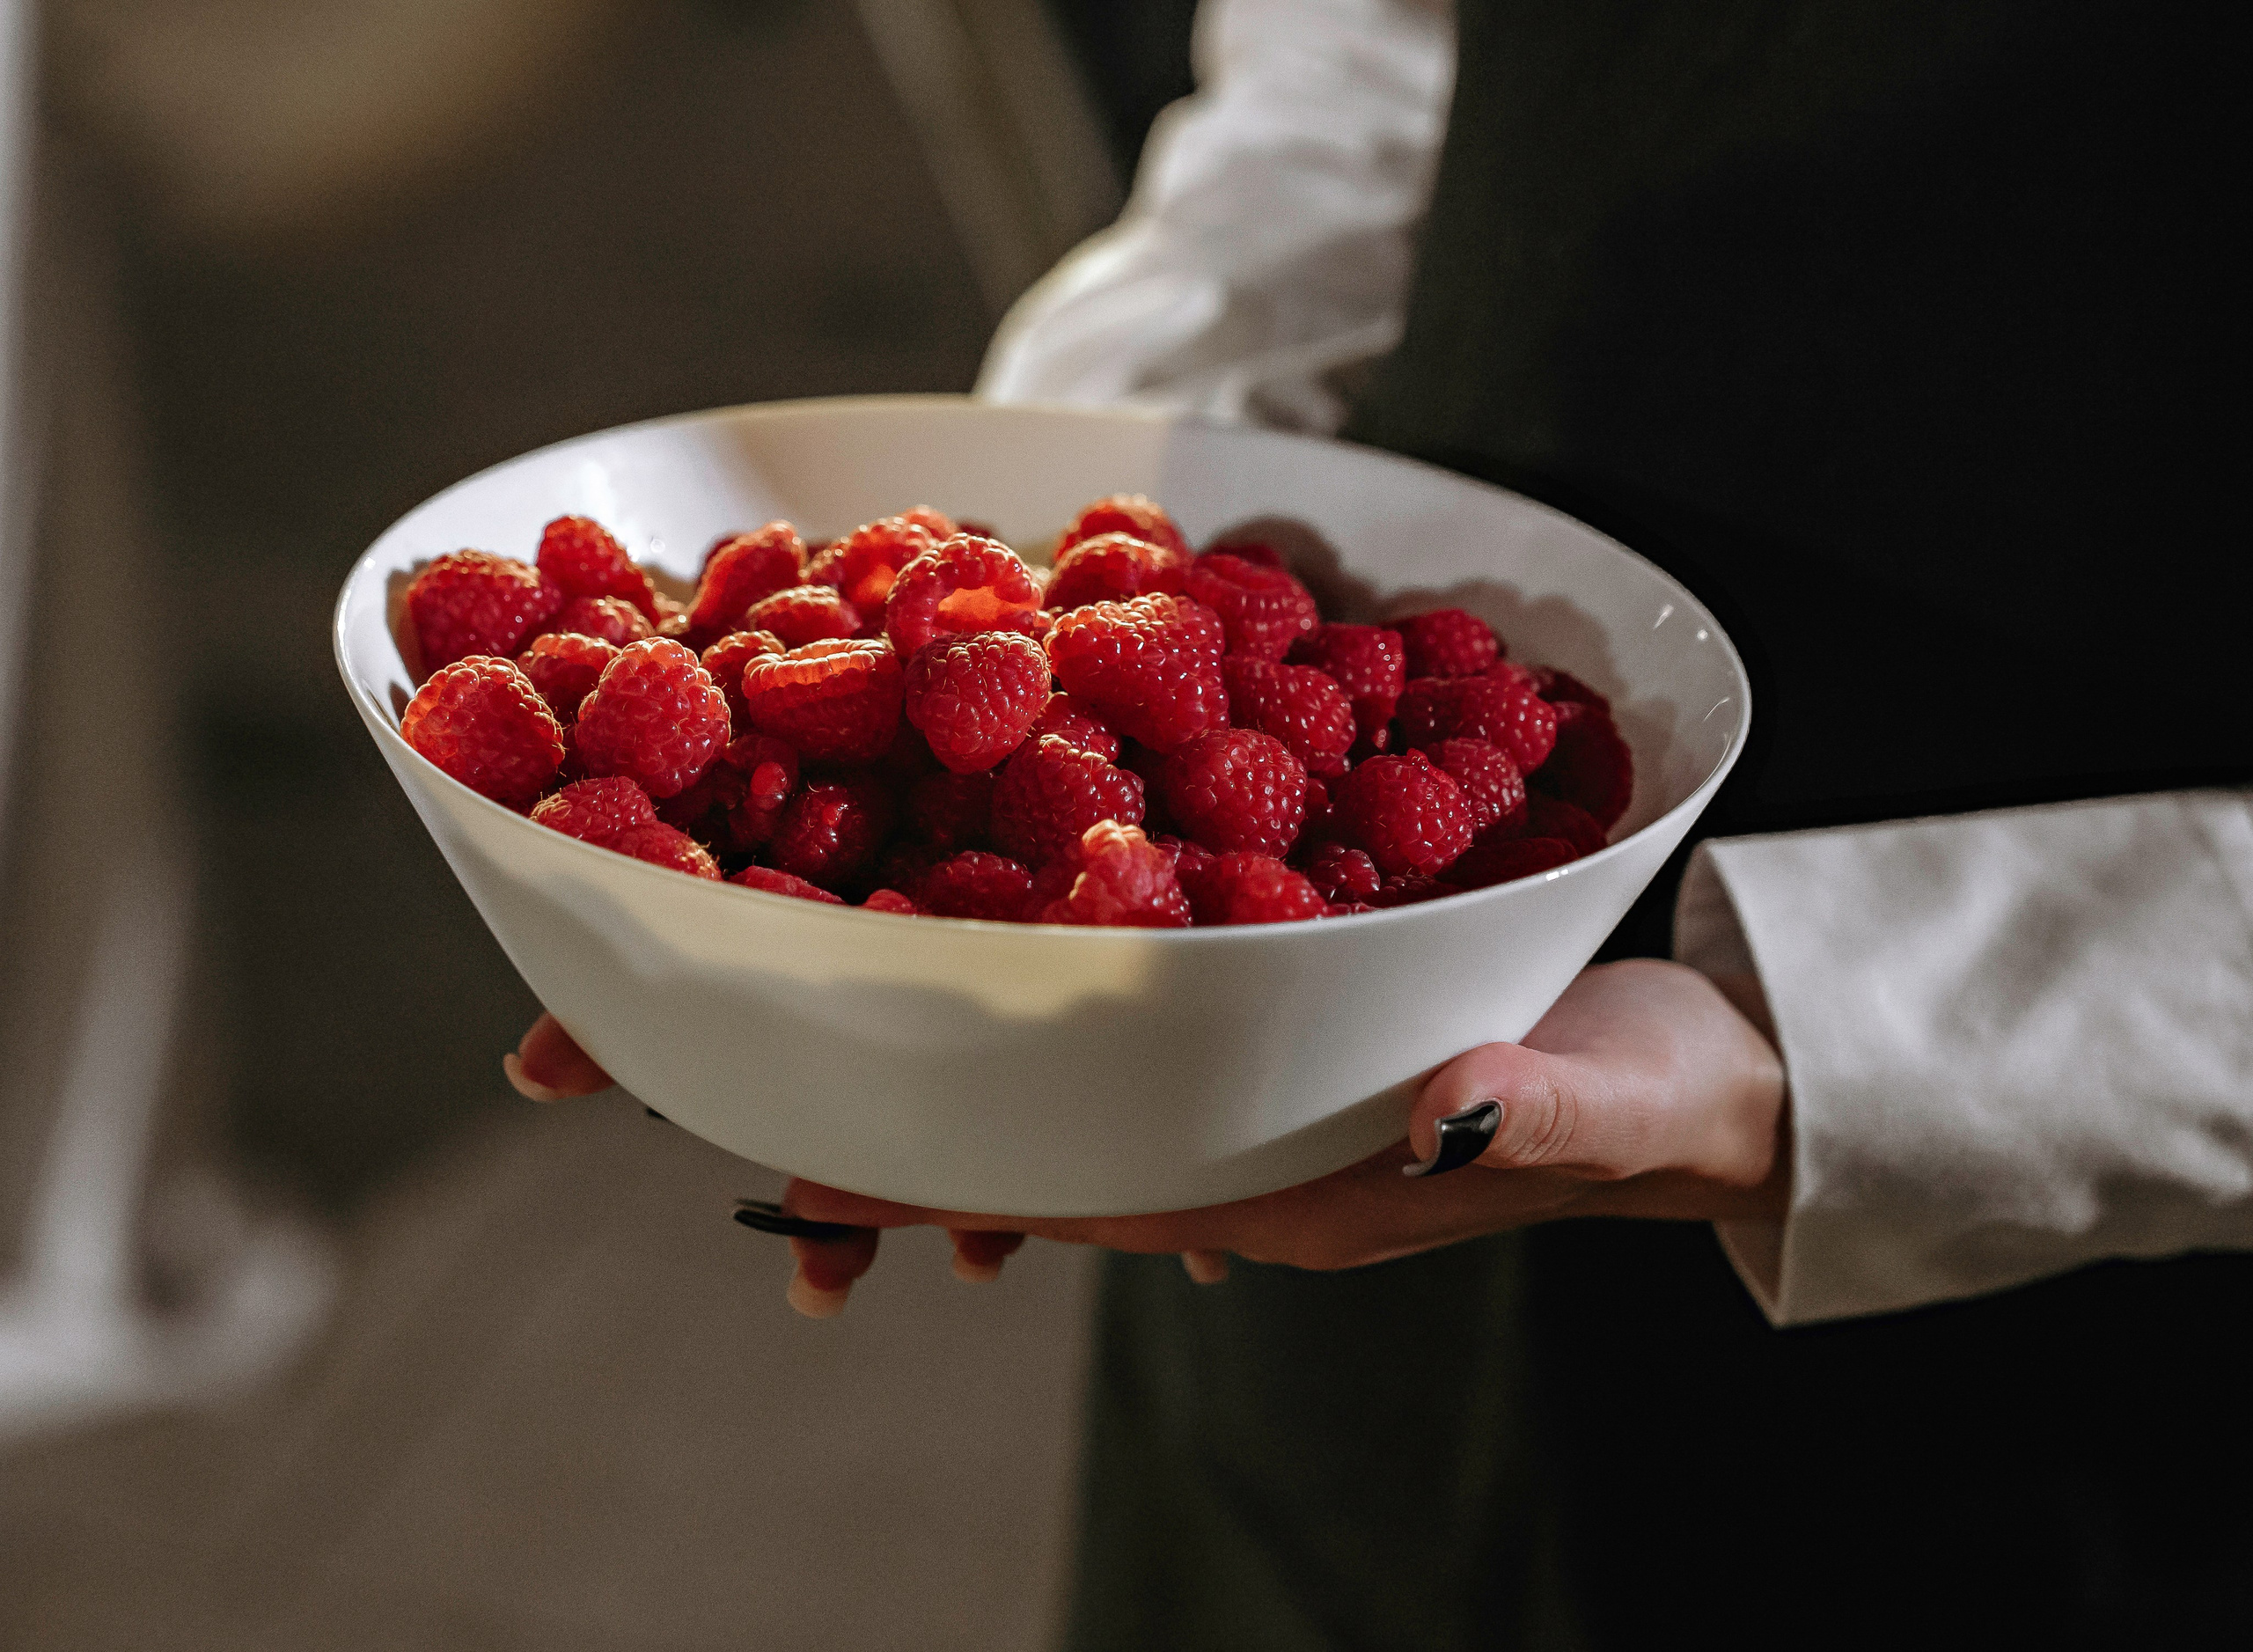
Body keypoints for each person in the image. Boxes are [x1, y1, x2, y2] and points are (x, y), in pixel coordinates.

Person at [510, 0, 2252, 1642]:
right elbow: (1361, 68)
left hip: (2083, 1287)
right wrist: (1115, 510)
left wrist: (1878, 1049)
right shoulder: (1222, 796)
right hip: (1342, 967)